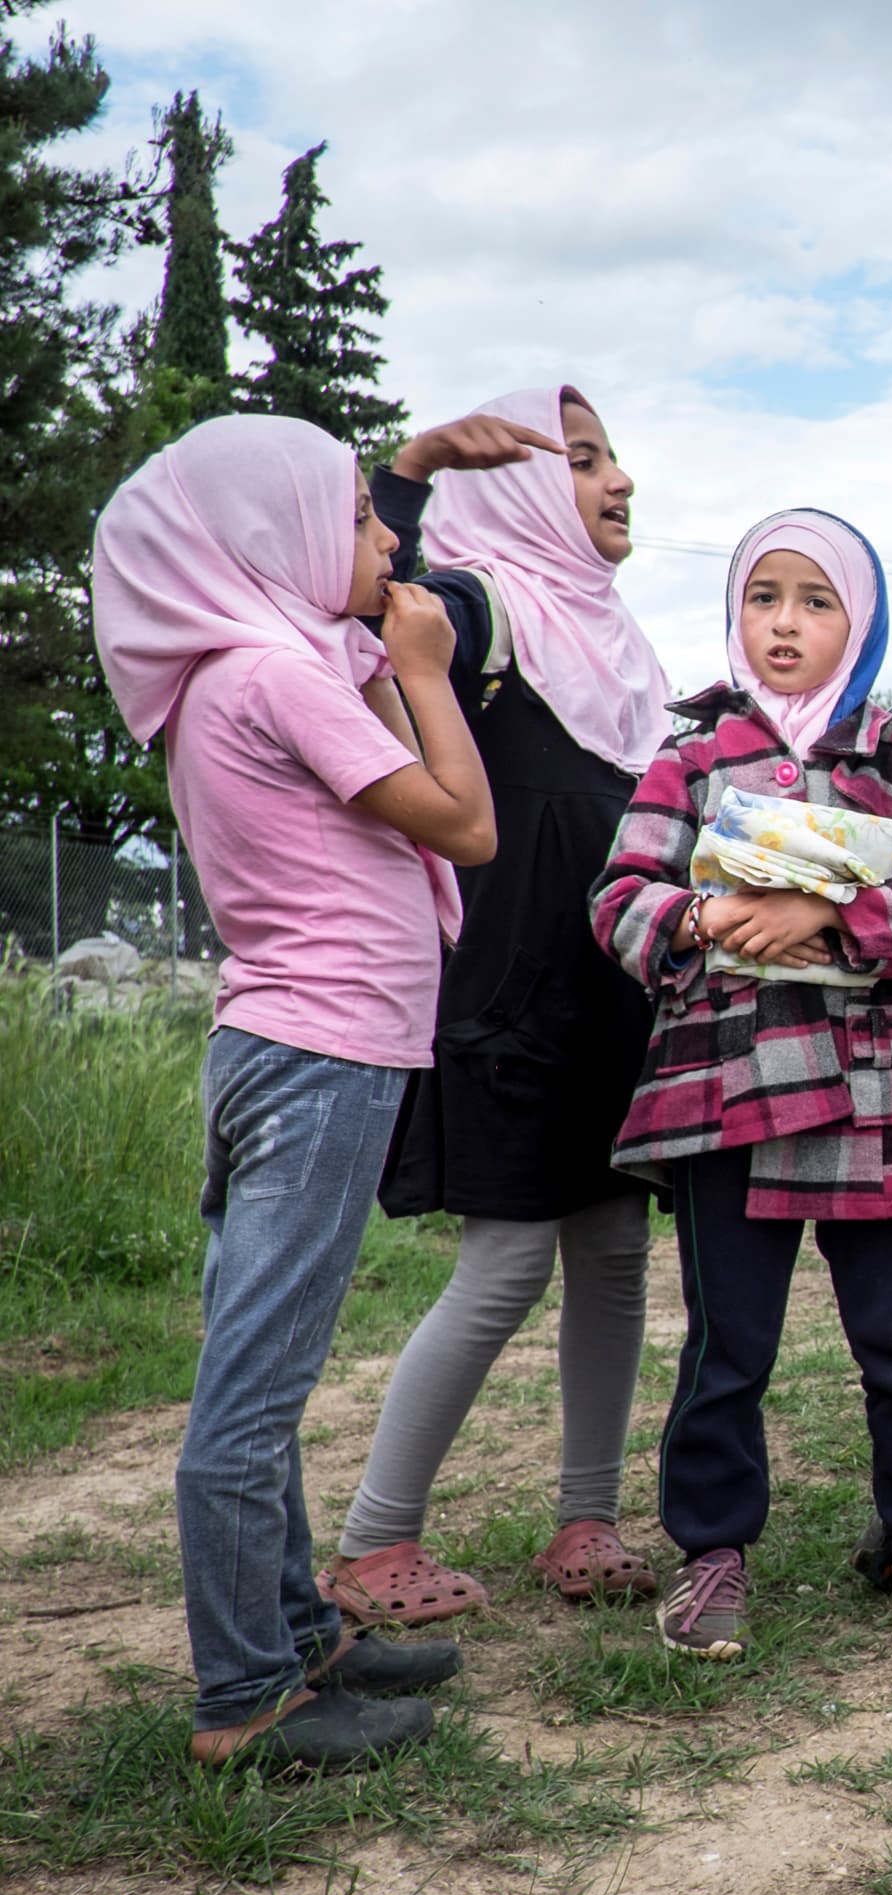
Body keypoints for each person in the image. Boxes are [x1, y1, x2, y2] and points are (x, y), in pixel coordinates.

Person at [92, 414, 496, 1769]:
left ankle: (298, 1633)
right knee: (253, 1393)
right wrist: (428, 672)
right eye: (364, 520)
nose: (386, 540)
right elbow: (465, 822)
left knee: (262, 1365)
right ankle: (247, 1700)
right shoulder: (276, 674)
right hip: (326, 1053)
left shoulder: (236, 670)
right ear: (278, 536)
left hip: (281, 1040)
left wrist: (381, 645)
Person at [590, 508, 892, 1659]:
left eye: (816, 600)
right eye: (764, 597)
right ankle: (711, 1552)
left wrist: (832, 911)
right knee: (731, 1338)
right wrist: (706, 912)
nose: (786, 622)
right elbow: (618, 898)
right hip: (733, 1081)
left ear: (860, 622)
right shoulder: (691, 755)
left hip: (886, 1091)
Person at [321, 389, 673, 1627]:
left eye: (615, 454)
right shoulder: (486, 603)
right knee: (509, 1258)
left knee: (616, 1254)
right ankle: (374, 1541)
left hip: (610, 1006)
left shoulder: (620, 642)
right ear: (520, 489)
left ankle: (587, 1517)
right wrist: (409, 469)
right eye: (580, 460)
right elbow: (372, 606)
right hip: (512, 1005)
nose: (617, 478)